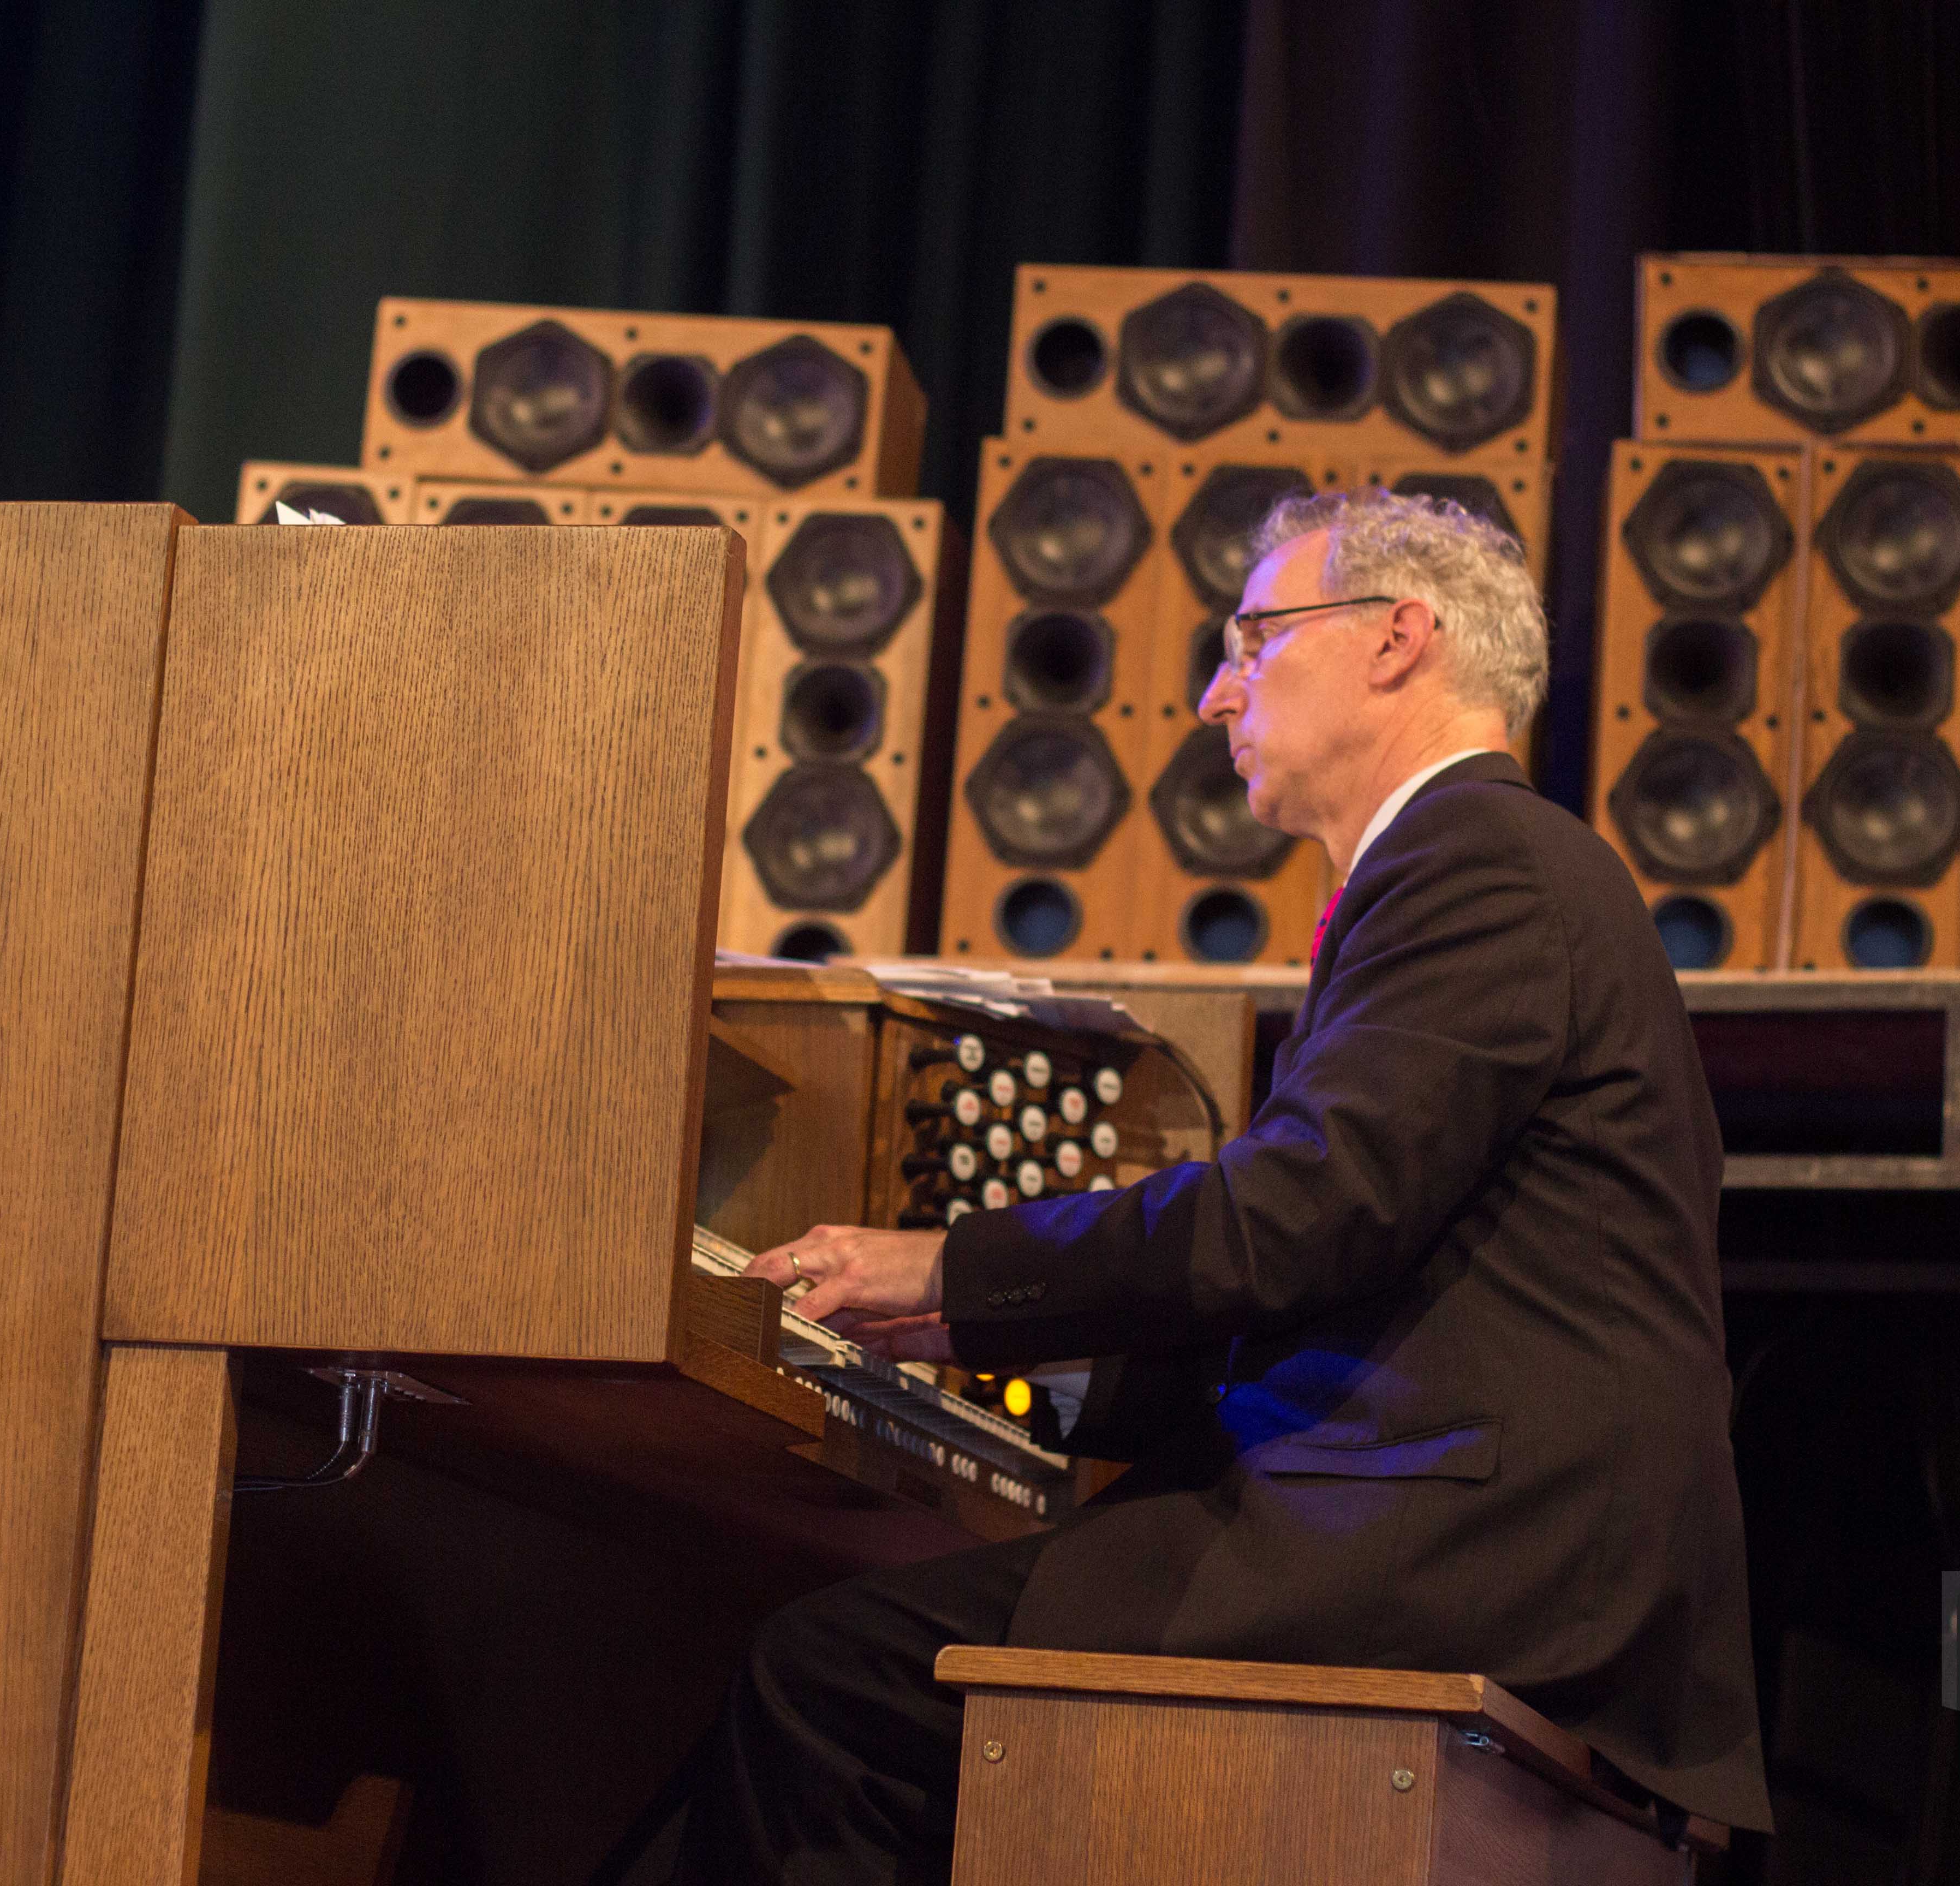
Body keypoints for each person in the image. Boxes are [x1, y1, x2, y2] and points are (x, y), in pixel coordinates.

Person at [683, 486, 1771, 1883]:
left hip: (1459, 1551)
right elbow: (1361, 1285)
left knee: (822, 1683)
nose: (1212, 695)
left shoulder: (1480, 863)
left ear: (1398, 637)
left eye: (1254, 639)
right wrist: (1013, 1376)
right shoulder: (1484, 872)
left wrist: (947, 1270)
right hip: (1462, 1524)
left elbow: (1297, 1217)